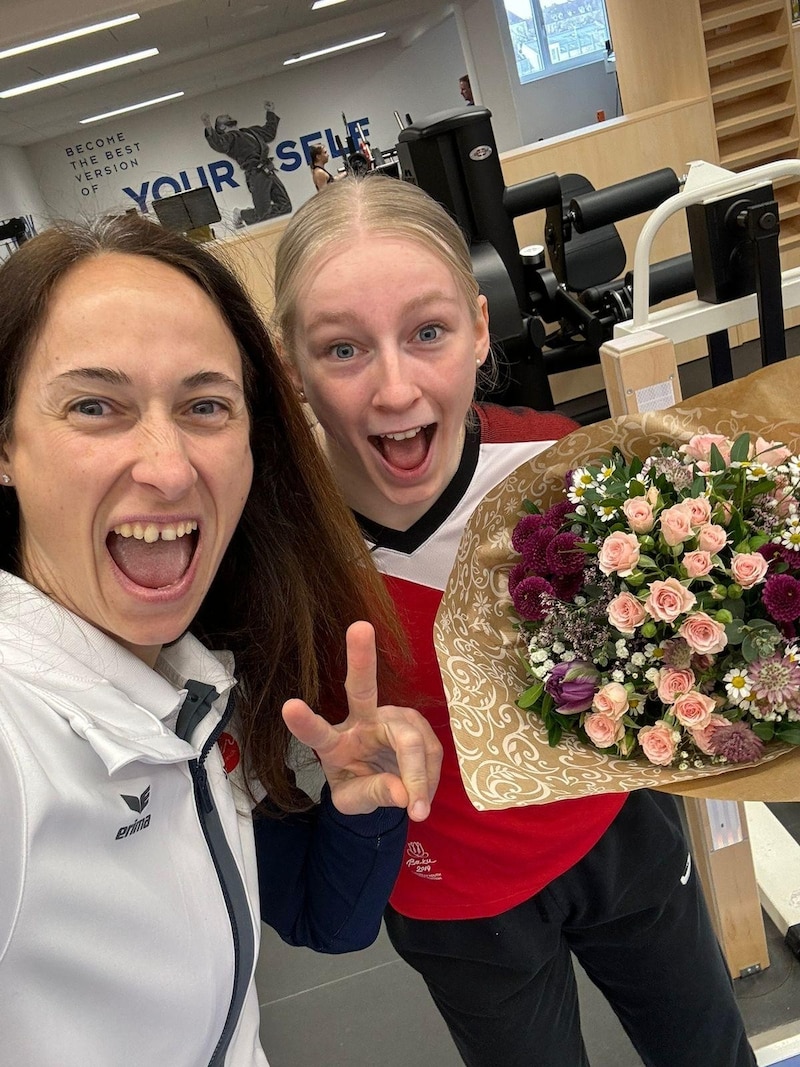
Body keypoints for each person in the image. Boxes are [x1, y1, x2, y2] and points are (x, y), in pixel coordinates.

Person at [272, 175, 758, 1067]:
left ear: (481, 328)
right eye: (342, 349)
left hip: (617, 836)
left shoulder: (557, 465)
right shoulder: (282, 554)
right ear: (291, 365)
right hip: (458, 903)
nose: (393, 387)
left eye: (429, 332)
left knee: (709, 1051)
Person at [0, 212, 442, 1067]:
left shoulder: (193, 685)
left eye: (206, 405)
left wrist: (361, 810)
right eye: (96, 405)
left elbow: (329, 921)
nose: (168, 466)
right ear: (7, 442)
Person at [202, 100, 292, 225]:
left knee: (285, 206)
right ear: (222, 127)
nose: (228, 115)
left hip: (267, 170)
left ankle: (248, 214)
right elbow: (219, 144)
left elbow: (269, 133)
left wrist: (270, 112)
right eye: (224, 117)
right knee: (263, 213)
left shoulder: (251, 131)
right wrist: (208, 127)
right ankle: (242, 214)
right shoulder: (230, 138)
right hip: (255, 174)